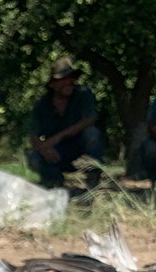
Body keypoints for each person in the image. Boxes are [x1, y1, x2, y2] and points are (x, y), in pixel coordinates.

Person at [27, 57, 106, 189]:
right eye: (63, 79)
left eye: (71, 78)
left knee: (92, 133)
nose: (69, 82)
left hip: (80, 147)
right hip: (58, 152)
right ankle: (54, 180)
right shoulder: (42, 104)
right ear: (52, 84)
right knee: (34, 157)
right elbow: (33, 133)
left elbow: (90, 119)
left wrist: (60, 136)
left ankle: (93, 178)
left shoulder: (83, 94)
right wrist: (44, 148)